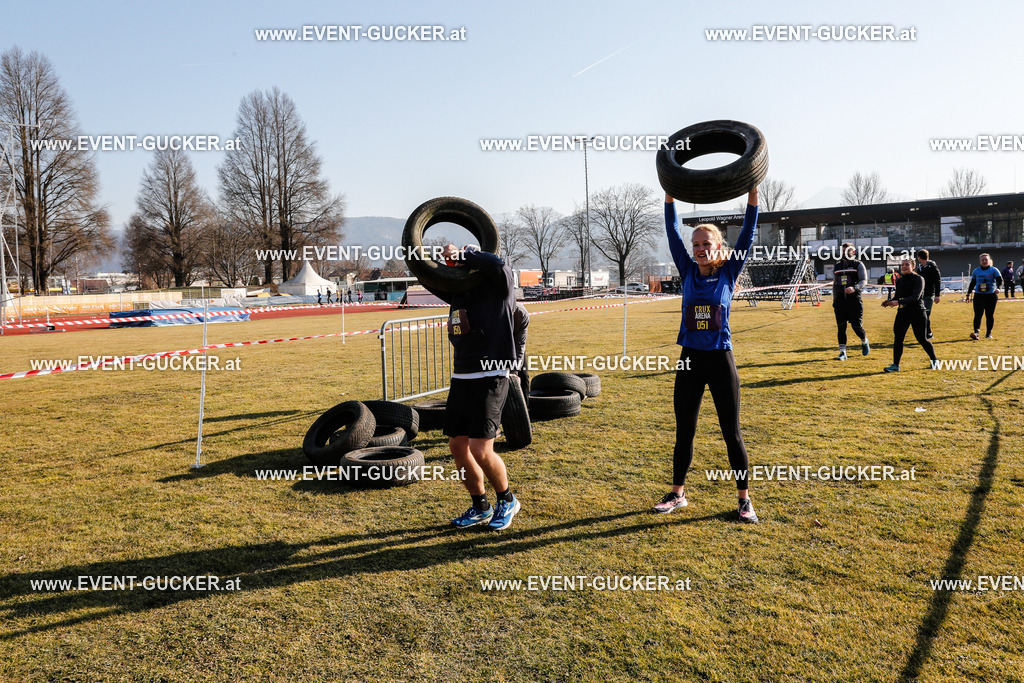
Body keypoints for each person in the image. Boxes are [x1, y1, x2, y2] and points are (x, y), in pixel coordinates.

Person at [658, 187, 759, 523]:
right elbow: (672, 231)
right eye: (696, 244)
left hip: (719, 359)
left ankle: (744, 501)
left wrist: (753, 194)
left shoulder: (728, 272)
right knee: (684, 429)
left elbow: (748, 231)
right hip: (689, 360)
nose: (700, 249)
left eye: (706, 244)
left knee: (732, 431)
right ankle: (677, 494)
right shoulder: (687, 271)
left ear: (718, 247)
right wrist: (670, 196)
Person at [437, 243, 521, 531]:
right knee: (458, 445)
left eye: (467, 262)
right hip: (462, 375)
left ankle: (507, 500)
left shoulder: (499, 285)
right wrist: (444, 259)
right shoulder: (459, 291)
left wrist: (462, 253)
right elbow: (431, 276)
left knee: (480, 448)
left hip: (490, 373)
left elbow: (496, 264)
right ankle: (480, 506)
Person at [882, 258, 938, 372]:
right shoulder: (899, 280)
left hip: (917, 312)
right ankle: (895, 365)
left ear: (913, 266)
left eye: (907, 264)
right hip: (903, 313)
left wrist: (898, 302)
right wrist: (889, 302)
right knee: (898, 338)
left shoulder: (919, 279)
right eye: (902, 265)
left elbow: (915, 297)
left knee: (922, 339)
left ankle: (934, 360)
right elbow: (898, 296)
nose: (904, 267)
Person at [832, 243, 871, 360]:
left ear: (853, 252)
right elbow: (835, 284)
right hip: (840, 301)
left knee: (856, 326)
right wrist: (834, 299)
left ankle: (864, 341)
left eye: (847, 250)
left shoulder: (858, 264)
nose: (844, 252)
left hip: (854, 300)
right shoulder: (837, 266)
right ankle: (842, 352)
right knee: (841, 327)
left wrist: (855, 288)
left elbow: (863, 280)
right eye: (843, 250)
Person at [966, 253, 1002, 339]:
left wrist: (998, 288)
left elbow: (1000, 281)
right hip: (979, 295)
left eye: (986, 260)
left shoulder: (994, 270)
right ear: (980, 261)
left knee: (989, 315)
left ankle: (988, 333)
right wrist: (968, 294)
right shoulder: (976, 271)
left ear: (989, 261)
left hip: (991, 295)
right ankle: (976, 332)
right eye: (982, 260)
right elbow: (972, 283)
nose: (984, 261)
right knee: (978, 314)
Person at [915, 249, 941, 339]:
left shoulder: (932, 266)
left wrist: (937, 295)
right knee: (921, 314)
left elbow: (937, 280)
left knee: (926, 314)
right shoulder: (920, 268)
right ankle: (924, 333)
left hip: (929, 294)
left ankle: (929, 333)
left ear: (919, 257)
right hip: (921, 295)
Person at [512, 302, 530, 395]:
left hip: (516, 341)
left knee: (524, 376)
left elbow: (520, 344)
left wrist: (515, 372)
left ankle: (525, 407)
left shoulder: (521, 313)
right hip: (498, 343)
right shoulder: (494, 313)